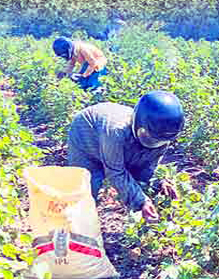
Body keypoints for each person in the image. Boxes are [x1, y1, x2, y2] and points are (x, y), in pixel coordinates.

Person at [66, 91, 185, 220]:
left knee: (138, 176)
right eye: (150, 137)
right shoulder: (116, 132)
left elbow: (147, 168)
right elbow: (115, 172)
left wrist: (160, 182)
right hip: (86, 136)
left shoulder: (161, 136)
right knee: (87, 187)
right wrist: (141, 201)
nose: (154, 143)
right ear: (137, 122)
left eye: (159, 140)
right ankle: (74, 225)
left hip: (114, 138)